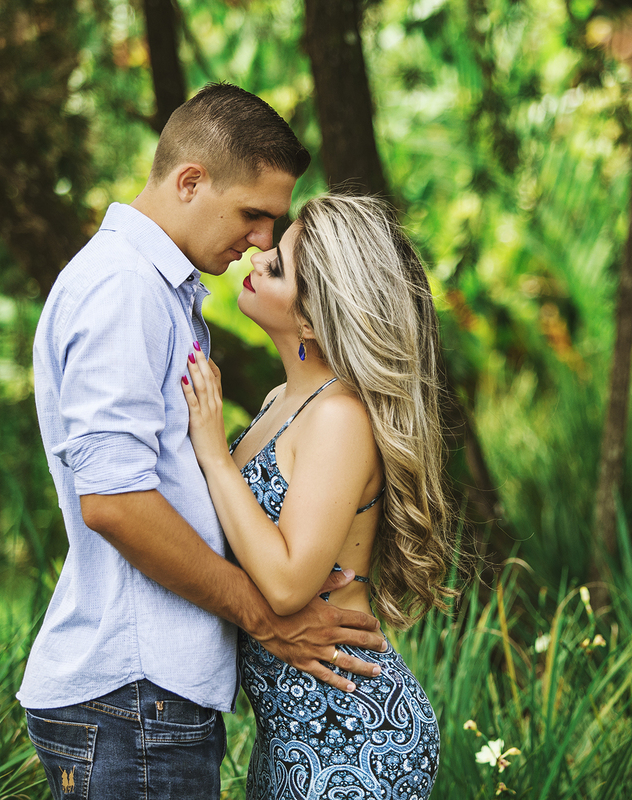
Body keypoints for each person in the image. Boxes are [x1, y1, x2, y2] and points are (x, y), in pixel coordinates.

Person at [18, 84, 388, 800]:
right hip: (133, 693)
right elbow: (115, 503)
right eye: (253, 215)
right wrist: (264, 617)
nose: (259, 242)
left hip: (150, 697)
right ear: (191, 181)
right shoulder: (124, 291)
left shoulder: (164, 295)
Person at [180, 193, 455, 800]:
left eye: (276, 267)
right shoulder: (283, 402)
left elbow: (285, 584)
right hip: (291, 734)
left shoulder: (339, 416)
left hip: (352, 734)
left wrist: (213, 454)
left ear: (311, 320)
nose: (255, 260)